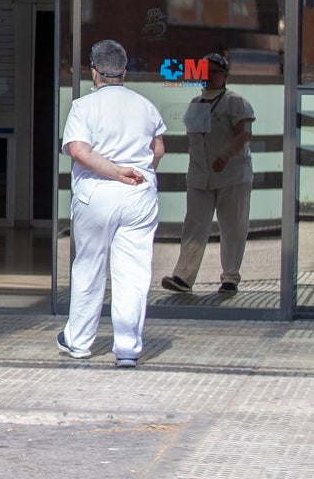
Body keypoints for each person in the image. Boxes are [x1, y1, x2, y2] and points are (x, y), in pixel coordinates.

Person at [57, 39, 166, 369]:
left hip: (97, 195)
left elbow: (78, 150)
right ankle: (128, 349)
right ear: (125, 71)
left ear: (94, 71)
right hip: (139, 195)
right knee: (132, 271)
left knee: (89, 266)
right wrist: (134, 175)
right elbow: (157, 149)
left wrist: (115, 173)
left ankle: (78, 341)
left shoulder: (84, 106)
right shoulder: (145, 105)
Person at [161, 52, 255, 295]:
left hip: (232, 175)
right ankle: (183, 277)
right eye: (204, 72)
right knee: (194, 225)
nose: (209, 77)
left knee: (232, 226)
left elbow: (243, 134)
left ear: (225, 75)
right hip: (200, 177)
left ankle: (230, 278)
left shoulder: (236, 102)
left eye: (214, 72)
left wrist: (225, 156)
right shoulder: (195, 104)